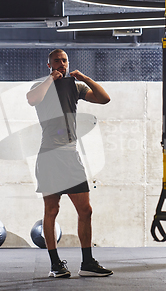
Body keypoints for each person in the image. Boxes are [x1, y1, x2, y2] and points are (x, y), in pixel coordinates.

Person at [26, 49, 112, 278]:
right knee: (51, 210)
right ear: (49, 64)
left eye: (64, 60)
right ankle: (55, 264)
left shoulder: (75, 86)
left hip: (70, 155)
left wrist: (85, 78)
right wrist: (50, 79)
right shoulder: (40, 86)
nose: (61, 64)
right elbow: (32, 99)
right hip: (49, 156)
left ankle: (87, 262)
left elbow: (104, 98)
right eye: (57, 61)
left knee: (86, 210)